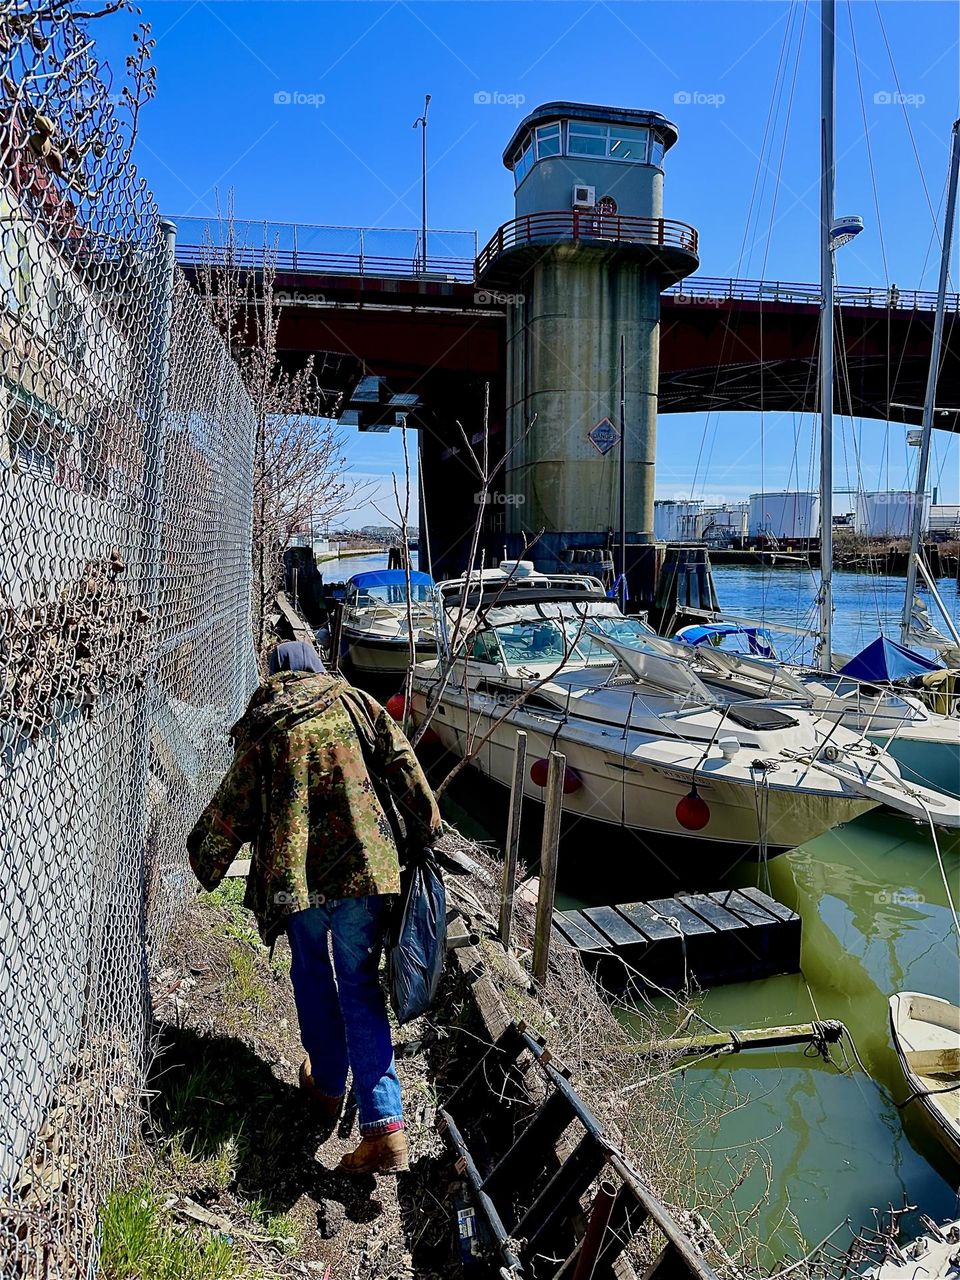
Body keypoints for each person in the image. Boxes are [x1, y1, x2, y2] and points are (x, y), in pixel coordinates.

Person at [187, 640, 441, 1175]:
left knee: (312, 977)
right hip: (364, 870)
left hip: (293, 882)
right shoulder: (356, 703)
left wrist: (205, 857)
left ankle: (326, 1084)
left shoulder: (265, 723)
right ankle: (386, 1126)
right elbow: (403, 764)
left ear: (277, 675)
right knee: (360, 987)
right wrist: (425, 828)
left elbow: (235, 803)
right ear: (316, 667)